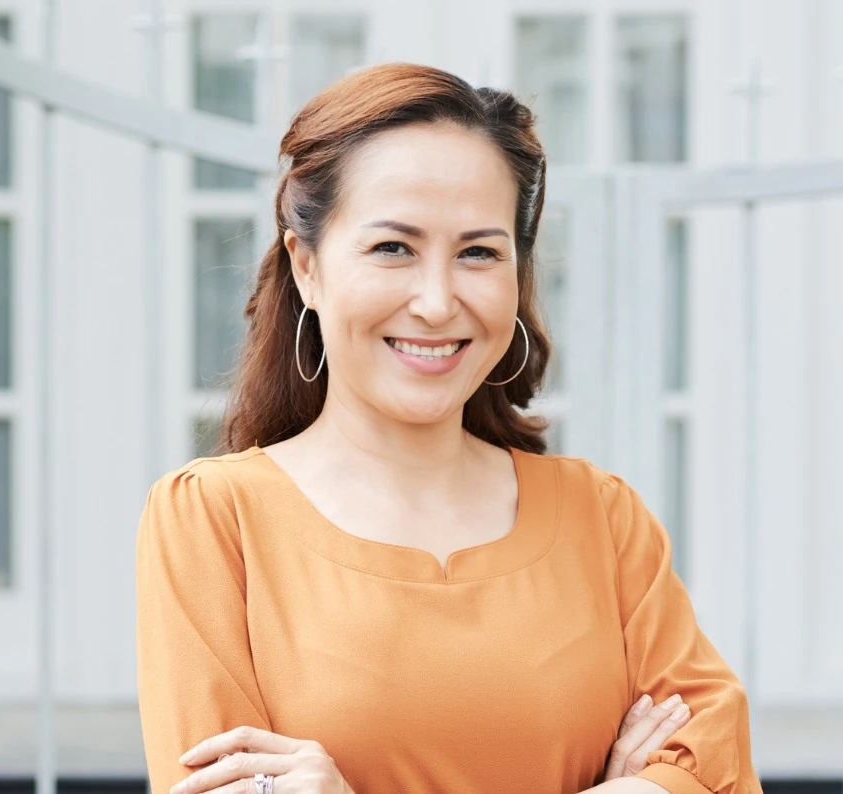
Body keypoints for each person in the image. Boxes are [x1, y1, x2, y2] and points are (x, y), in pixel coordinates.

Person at [134, 63, 761, 794]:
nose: (437, 302)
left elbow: (716, 757)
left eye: (478, 253)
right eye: (393, 248)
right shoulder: (213, 520)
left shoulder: (602, 516)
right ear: (306, 266)